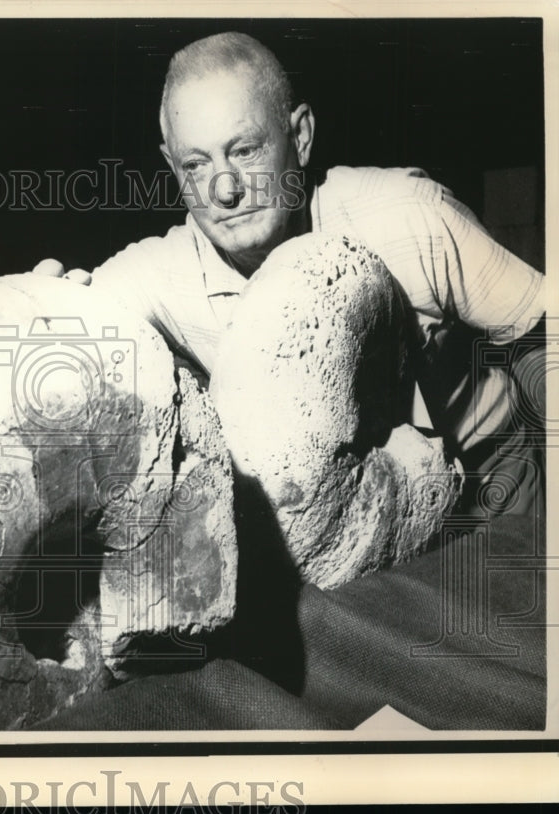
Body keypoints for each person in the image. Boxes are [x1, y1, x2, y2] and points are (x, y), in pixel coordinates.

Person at [33, 31, 546, 514]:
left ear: (299, 137)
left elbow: (544, 334)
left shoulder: (407, 216)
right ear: (173, 167)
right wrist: (40, 308)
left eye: (245, 150)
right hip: (352, 514)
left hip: (493, 486)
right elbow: (58, 319)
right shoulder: (157, 277)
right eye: (196, 164)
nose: (224, 190)